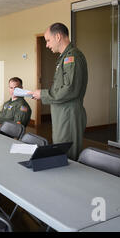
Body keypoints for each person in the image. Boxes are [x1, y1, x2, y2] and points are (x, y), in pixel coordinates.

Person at [31, 23, 88, 160]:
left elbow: (69, 90)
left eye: (48, 40)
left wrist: (43, 94)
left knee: (67, 155)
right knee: (61, 152)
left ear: (58, 36)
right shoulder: (64, 57)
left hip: (68, 114)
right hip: (62, 113)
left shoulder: (72, 57)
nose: (47, 45)